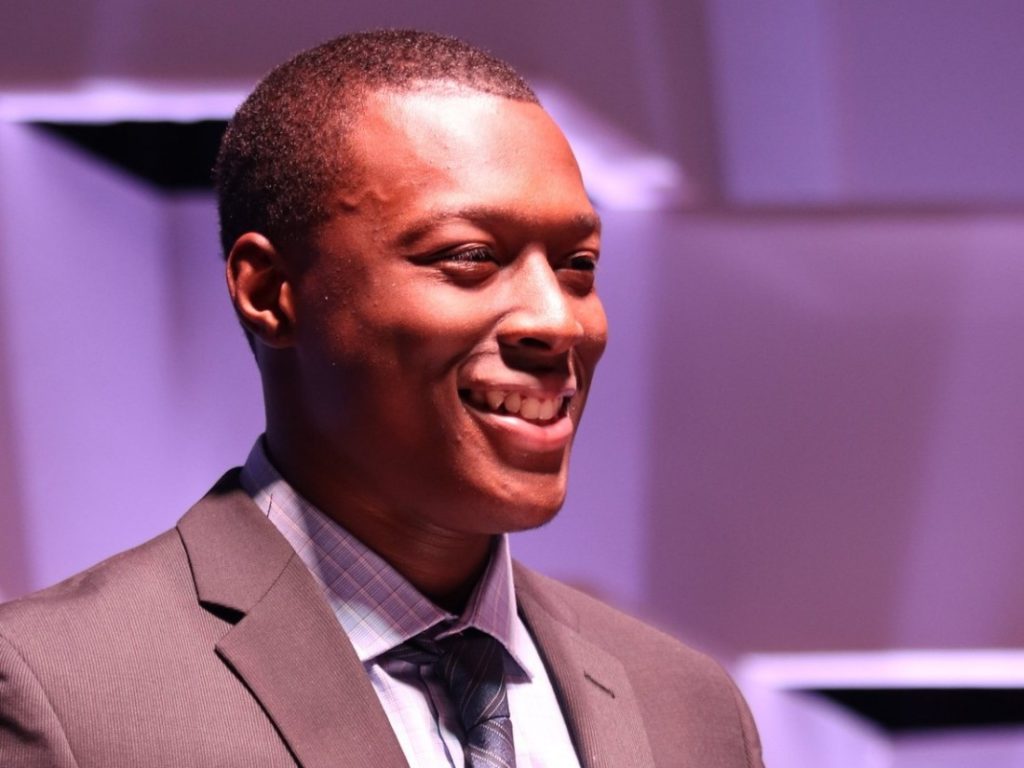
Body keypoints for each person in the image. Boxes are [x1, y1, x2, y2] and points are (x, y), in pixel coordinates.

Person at [0, 30, 763, 767]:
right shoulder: (57, 691)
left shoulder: (688, 708)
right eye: (470, 257)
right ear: (270, 291)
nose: (558, 321)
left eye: (578, 266)